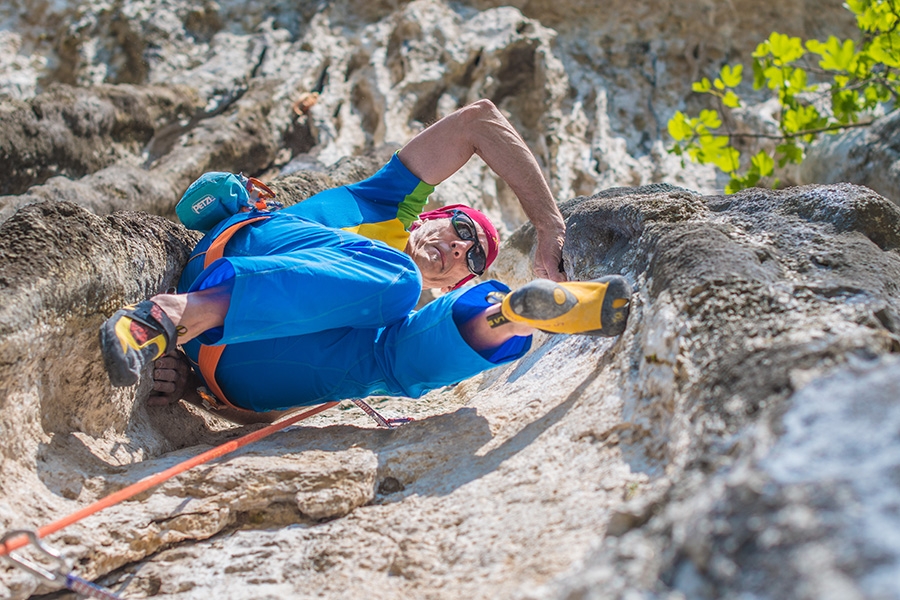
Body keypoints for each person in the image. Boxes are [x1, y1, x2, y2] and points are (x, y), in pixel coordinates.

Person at [100, 99, 631, 423]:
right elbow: (480, 122)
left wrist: (191, 386)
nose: (457, 248)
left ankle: (505, 314)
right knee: (395, 280)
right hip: (242, 255)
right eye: (462, 229)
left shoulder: (401, 307)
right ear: (429, 216)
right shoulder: (386, 203)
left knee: (388, 362)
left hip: (230, 375)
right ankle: (164, 314)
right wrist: (549, 226)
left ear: (452, 282)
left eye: (470, 259)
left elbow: (271, 400)